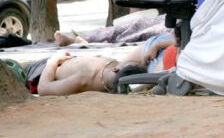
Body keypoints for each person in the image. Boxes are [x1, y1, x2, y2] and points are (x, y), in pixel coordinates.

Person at [20, 32, 177, 96]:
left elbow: (43, 89)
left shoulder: (84, 78)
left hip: (41, 70)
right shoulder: (108, 71)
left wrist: (53, 61)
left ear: (117, 69)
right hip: (62, 61)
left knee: (15, 68)